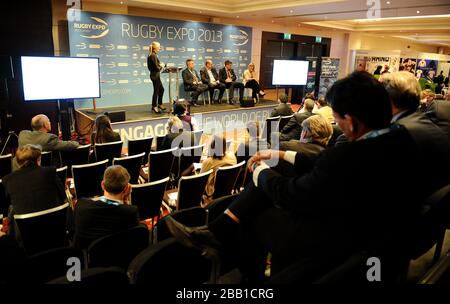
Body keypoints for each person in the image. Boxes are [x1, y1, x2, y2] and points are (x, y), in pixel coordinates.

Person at [165, 71, 449, 282]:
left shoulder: (350, 155)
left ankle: (251, 280)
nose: (336, 123)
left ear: (350, 121)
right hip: (376, 226)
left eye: (337, 118)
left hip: (343, 237)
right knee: (279, 165)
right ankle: (219, 230)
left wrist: (260, 171)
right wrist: (280, 155)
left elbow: (292, 194)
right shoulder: (399, 138)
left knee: (254, 216)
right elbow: (324, 161)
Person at [3, 144, 66, 238]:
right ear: (38, 160)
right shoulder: (50, 172)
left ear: (18, 162)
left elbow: (6, 207)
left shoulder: (7, 180)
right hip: (54, 230)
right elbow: (63, 195)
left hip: (24, 236)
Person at [73, 165, 140, 249]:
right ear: (126, 188)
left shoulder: (81, 205)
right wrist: (126, 201)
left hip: (86, 258)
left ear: (102, 185)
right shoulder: (131, 212)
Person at [200, 135, 237, 206]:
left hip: (212, 192)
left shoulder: (208, 162)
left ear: (212, 147)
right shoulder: (232, 157)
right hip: (228, 188)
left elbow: (201, 180)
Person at [147, 41, 166, 114]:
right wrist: (162, 66)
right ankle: (154, 106)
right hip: (155, 76)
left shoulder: (153, 55)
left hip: (155, 75)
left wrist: (160, 66)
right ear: (155, 48)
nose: (159, 48)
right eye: (159, 47)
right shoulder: (153, 55)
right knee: (156, 91)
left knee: (161, 90)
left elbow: (155, 66)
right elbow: (157, 68)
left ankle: (159, 104)